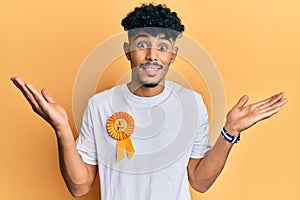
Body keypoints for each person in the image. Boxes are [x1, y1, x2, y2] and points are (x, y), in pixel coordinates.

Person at [11, 3, 288, 200]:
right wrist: (60, 128)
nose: (153, 55)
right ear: (128, 51)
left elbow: (200, 182)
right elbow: (80, 187)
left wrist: (230, 132)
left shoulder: (192, 103)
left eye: (163, 47)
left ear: (173, 55)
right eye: (142, 44)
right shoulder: (100, 105)